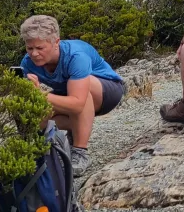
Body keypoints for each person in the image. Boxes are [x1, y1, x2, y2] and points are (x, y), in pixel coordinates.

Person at [19, 15, 124, 177]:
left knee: (82, 90)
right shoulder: (28, 63)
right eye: (29, 48)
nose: (34, 54)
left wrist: (41, 96)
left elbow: (77, 104)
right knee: (37, 116)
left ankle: (80, 151)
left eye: (40, 48)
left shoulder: (76, 56)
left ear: (56, 42)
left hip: (106, 90)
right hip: (68, 93)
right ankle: (71, 133)